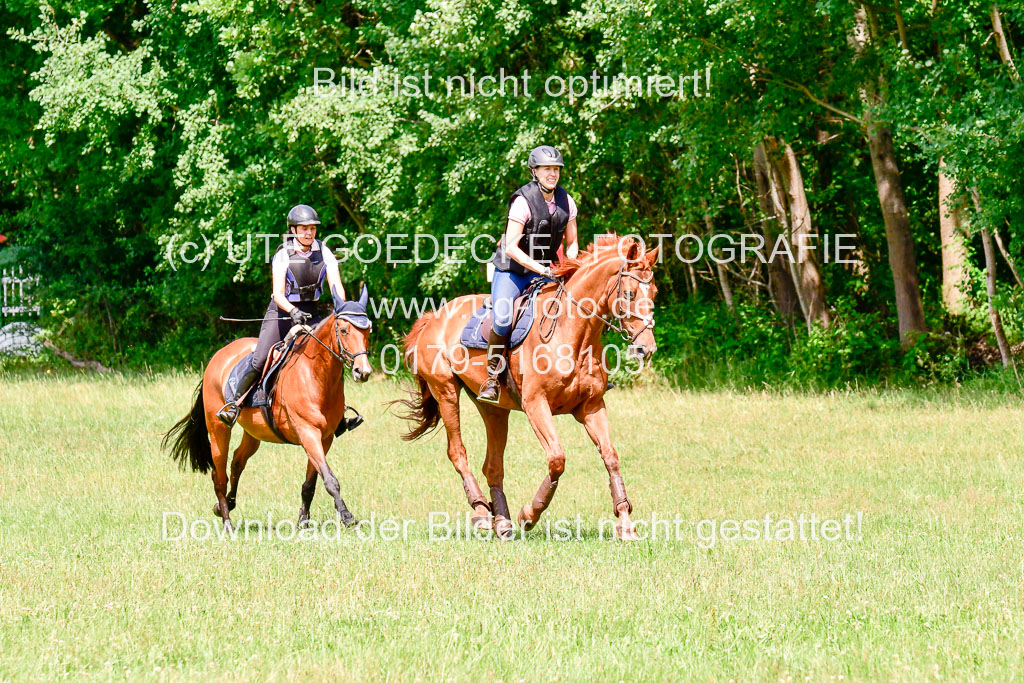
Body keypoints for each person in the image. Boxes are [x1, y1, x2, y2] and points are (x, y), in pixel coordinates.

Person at [216, 204, 363, 435]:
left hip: (312, 312)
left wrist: (342, 306)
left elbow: (337, 286)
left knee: (333, 355)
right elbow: (278, 294)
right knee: (260, 358)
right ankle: (234, 404)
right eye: (304, 228)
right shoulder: (283, 254)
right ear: (293, 230)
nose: (309, 233)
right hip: (282, 312)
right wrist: (292, 311)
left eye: (312, 228)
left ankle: (339, 414)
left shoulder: (324, 252)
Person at [477, 145, 579, 404]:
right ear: (534, 171)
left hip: (547, 271)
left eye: (556, 169)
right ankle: (492, 377)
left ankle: (585, 371)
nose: (552, 174)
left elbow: (573, 242)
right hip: (512, 272)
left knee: (576, 309)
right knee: (501, 319)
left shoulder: (567, 201)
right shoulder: (523, 200)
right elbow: (511, 247)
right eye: (547, 169)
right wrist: (543, 269)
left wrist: (570, 266)